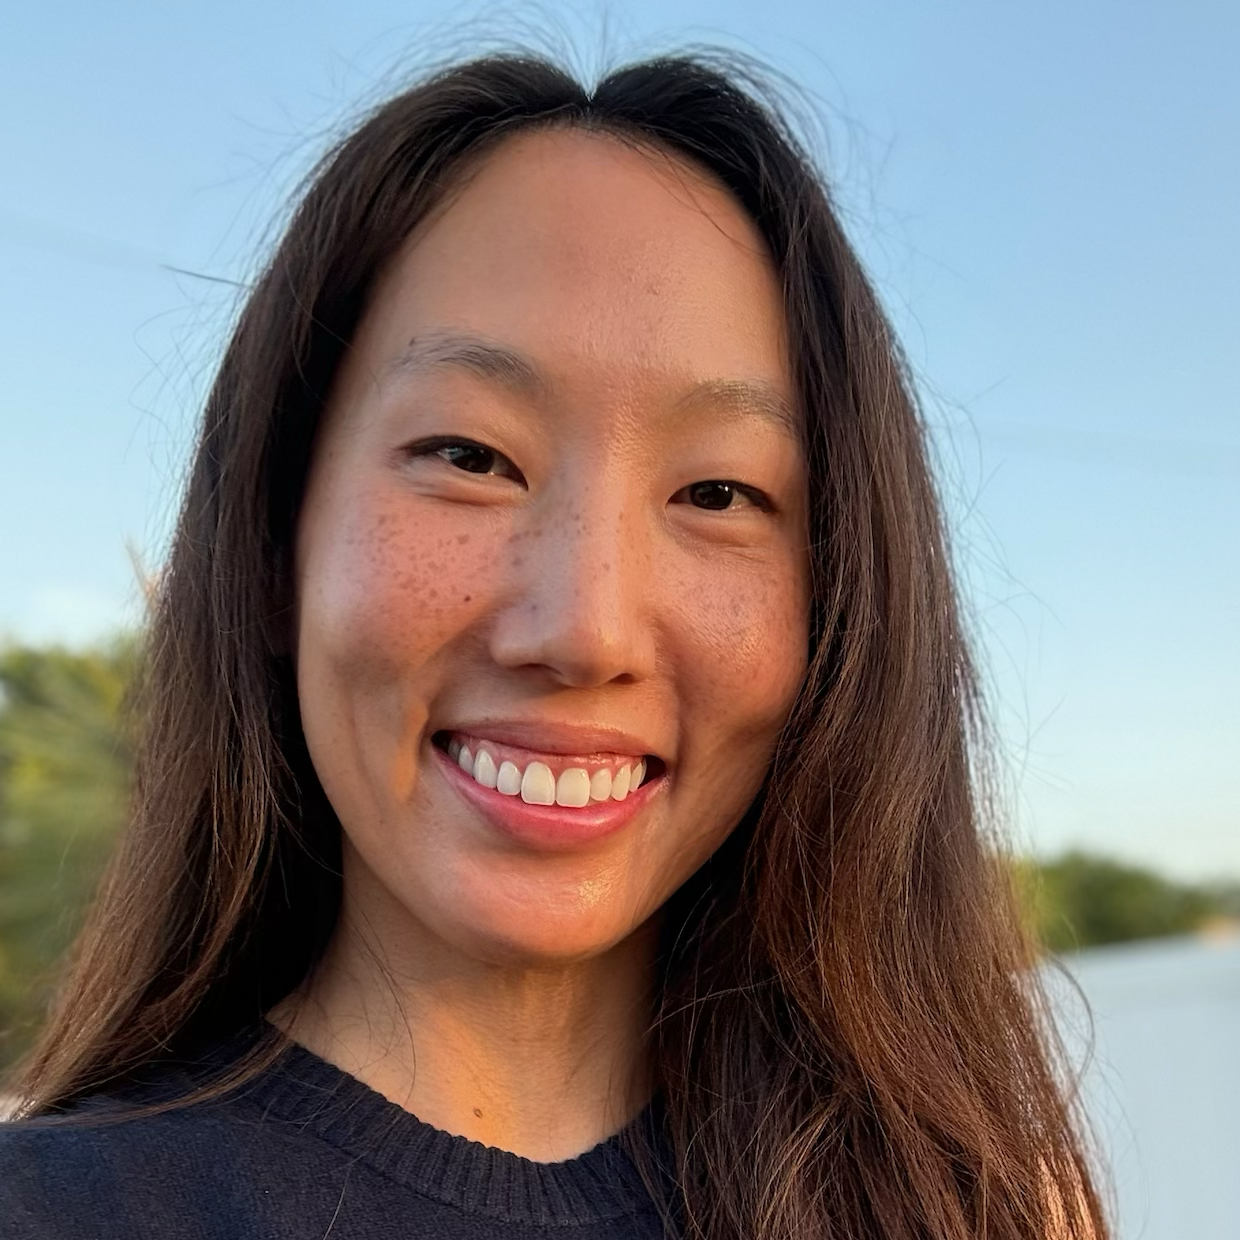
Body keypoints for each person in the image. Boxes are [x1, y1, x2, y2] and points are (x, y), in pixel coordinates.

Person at [0, 50, 1107, 1240]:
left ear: (840, 608)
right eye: (470, 457)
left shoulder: (977, 1211)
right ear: (274, 549)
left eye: (718, 493)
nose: (585, 628)